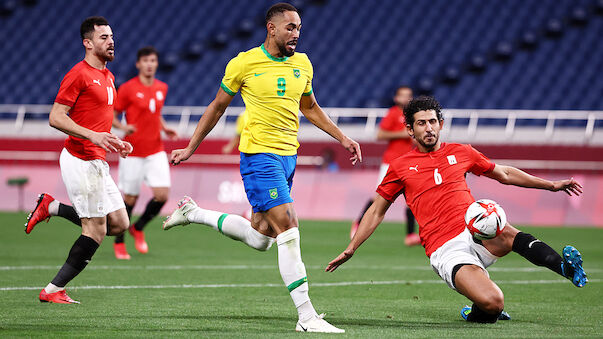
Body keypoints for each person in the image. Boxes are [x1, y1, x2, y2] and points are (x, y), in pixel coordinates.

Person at [163, 3, 361, 333]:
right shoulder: (244, 63)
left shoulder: (303, 64)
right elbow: (217, 107)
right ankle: (307, 317)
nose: (296, 34)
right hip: (258, 156)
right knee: (289, 226)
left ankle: (193, 213)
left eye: (299, 28)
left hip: (288, 157)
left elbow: (309, 107)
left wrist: (342, 137)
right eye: (290, 28)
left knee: (261, 238)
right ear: (271, 29)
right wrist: (191, 147)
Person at [326, 96, 587, 323]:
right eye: (421, 123)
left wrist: (552, 185)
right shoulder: (400, 166)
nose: (428, 128)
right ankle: (478, 310)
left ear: (441, 124)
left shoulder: (462, 152)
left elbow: (504, 173)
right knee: (493, 303)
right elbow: (376, 211)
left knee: (503, 228)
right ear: (409, 130)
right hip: (445, 248)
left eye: (432, 122)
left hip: (475, 230)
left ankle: (564, 268)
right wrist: (352, 247)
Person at [24, 16, 132, 304]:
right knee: (95, 230)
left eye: (111, 36)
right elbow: (56, 117)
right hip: (80, 159)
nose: (111, 41)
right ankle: (52, 290)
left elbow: (97, 122)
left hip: (97, 160)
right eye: (103, 37)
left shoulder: (109, 77)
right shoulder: (79, 74)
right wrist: (93, 136)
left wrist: (113, 139)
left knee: (120, 223)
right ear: (87, 43)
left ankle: (52, 206)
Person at [111, 46, 178, 259]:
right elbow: (112, 114)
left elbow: (154, 113)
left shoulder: (162, 87)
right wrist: (122, 128)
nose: (150, 64)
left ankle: (137, 227)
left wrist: (164, 127)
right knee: (130, 199)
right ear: (138, 64)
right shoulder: (128, 88)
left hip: (155, 150)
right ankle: (119, 241)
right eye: (146, 61)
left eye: (153, 61)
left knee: (162, 195)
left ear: (157, 64)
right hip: (132, 151)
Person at [350, 86, 419, 245]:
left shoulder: (412, 116)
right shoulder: (393, 113)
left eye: (409, 95)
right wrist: (401, 134)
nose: (406, 99)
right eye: (403, 96)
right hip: (391, 162)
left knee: (413, 197)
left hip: (408, 162)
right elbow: (380, 134)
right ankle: (359, 222)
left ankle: (410, 235)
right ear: (396, 98)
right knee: (379, 197)